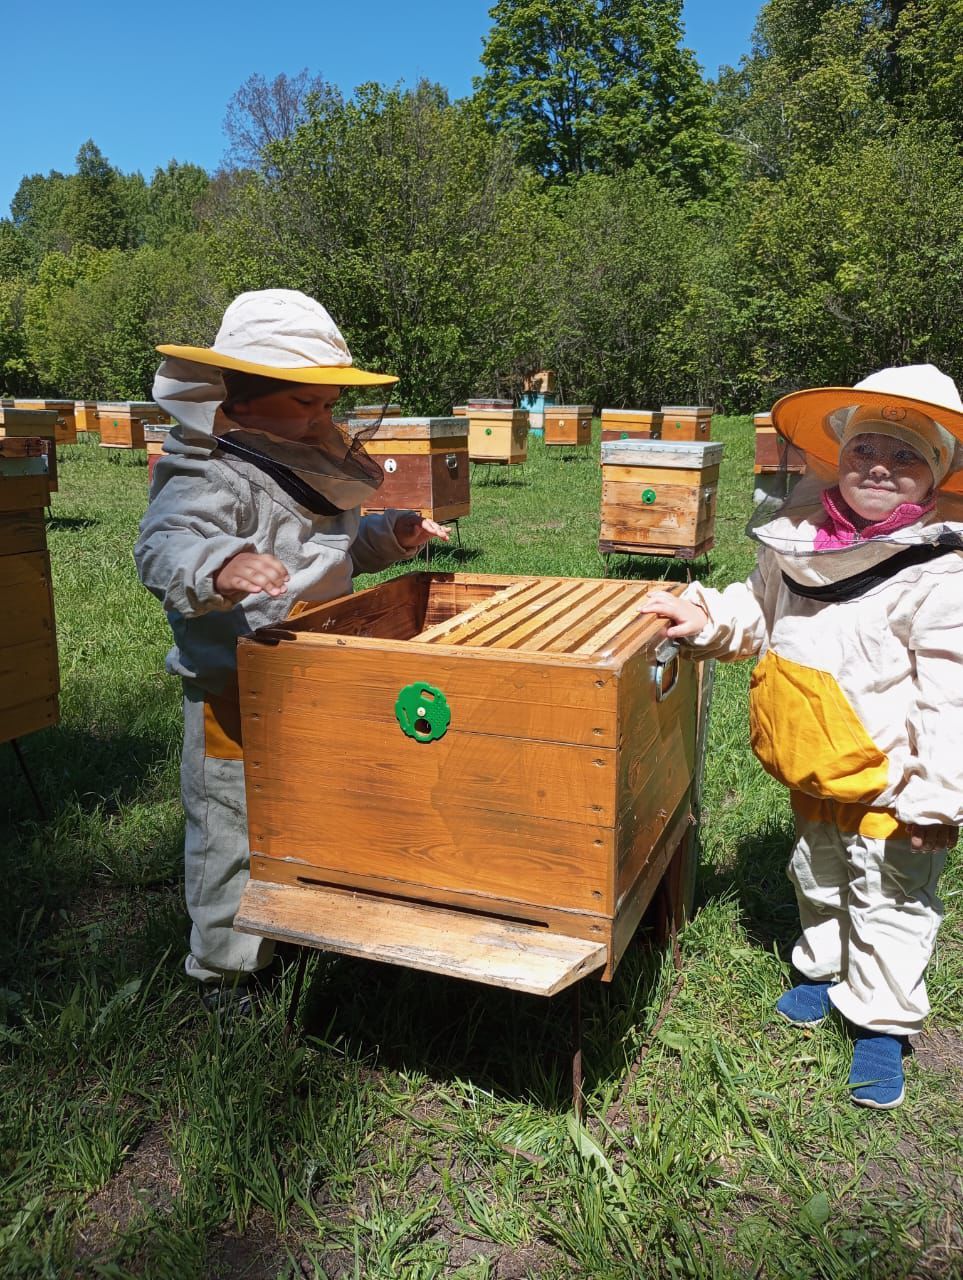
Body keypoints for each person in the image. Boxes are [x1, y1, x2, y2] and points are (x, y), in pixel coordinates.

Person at [641, 364, 963, 1109]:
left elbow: (952, 695)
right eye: (865, 448)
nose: (880, 465)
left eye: (907, 455)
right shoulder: (797, 538)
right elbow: (754, 611)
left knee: (889, 898)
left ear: (938, 476)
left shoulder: (941, 572)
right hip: (810, 758)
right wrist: (707, 620)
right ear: (836, 456)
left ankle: (879, 1023)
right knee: (815, 875)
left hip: (890, 777)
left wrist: (938, 796)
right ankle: (820, 969)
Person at [135, 289, 449, 1011]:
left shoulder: (306, 460)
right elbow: (162, 547)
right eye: (308, 403)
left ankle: (299, 920)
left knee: (312, 808)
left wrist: (388, 536)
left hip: (318, 674)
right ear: (240, 403)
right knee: (231, 828)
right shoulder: (204, 469)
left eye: (330, 404)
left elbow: (328, 554)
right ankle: (223, 970)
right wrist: (216, 565)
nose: (325, 419)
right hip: (236, 690)